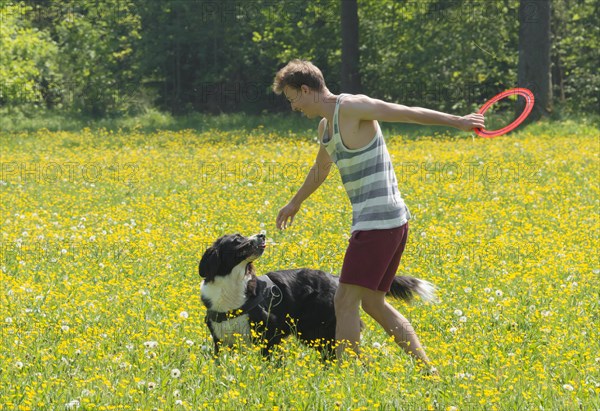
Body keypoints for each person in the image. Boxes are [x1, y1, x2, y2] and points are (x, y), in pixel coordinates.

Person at [272, 59, 484, 368]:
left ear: (306, 90)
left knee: (343, 301)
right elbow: (320, 169)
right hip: (384, 222)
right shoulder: (325, 126)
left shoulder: (352, 107)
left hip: (379, 222)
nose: (293, 107)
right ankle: (428, 370)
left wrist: (459, 121)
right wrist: (295, 202)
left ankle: (349, 376)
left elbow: (406, 113)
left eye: (292, 98)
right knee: (372, 302)